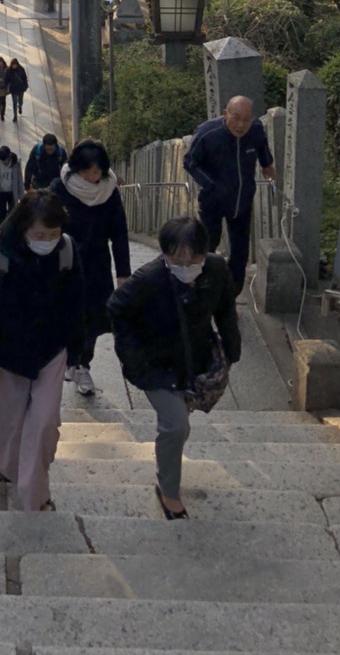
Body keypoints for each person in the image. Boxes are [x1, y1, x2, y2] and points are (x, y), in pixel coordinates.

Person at [109, 215, 241, 520]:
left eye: (192, 258)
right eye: (175, 258)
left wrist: (232, 350)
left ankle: (167, 453)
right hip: (156, 365)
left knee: (175, 422)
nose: (184, 265)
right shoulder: (148, 279)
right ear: (164, 253)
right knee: (176, 425)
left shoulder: (216, 271)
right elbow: (117, 309)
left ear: (204, 252)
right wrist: (134, 361)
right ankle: (169, 490)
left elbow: (225, 309)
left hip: (194, 361)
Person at [0, 191, 86, 512]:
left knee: (45, 423)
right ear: (23, 229)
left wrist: (76, 351)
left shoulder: (68, 251)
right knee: (7, 424)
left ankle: (35, 496)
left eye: (53, 234)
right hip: (5, 354)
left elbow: (78, 303)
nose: (47, 241)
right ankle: (8, 469)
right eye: (39, 235)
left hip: (51, 350)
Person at [50, 138, 131, 396]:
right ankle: (70, 358)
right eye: (87, 171)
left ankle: (82, 364)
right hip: (65, 262)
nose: (93, 177)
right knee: (68, 315)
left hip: (97, 262)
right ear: (76, 169)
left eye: (97, 171)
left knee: (95, 317)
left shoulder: (109, 192)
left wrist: (123, 273)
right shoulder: (60, 188)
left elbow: (119, 233)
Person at [183, 95, 276, 291]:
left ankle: (232, 294)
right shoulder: (208, 132)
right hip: (212, 202)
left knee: (240, 251)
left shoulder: (256, 129)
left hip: (242, 200)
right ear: (225, 114)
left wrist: (267, 164)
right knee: (208, 245)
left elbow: (261, 146)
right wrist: (210, 185)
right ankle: (202, 288)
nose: (241, 125)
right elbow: (190, 161)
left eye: (246, 119)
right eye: (236, 118)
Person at [0, 143, 23, 224]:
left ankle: (10, 229)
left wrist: (21, 194)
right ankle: (2, 229)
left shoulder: (15, 163)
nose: (4, 162)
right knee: (1, 212)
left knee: (13, 213)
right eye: (2, 160)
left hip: (12, 191)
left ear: (9, 156)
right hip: (0, 192)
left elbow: (19, 179)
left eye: (5, 160)